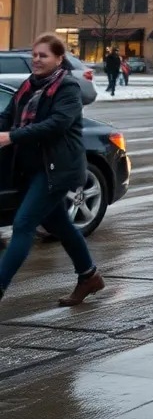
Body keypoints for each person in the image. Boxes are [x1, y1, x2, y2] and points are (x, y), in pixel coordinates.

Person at [0, 33, 104, 307]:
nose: (37, 60)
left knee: (23, 225)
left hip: (56, 170)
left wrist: (13, 136)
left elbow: (57, 124)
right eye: (34, 55)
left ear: (59, 59)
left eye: (43, 55)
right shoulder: (28, 87)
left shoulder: (68, 88)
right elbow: (7, 116)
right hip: (31, 169)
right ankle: (89, 276)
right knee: (60, 225)